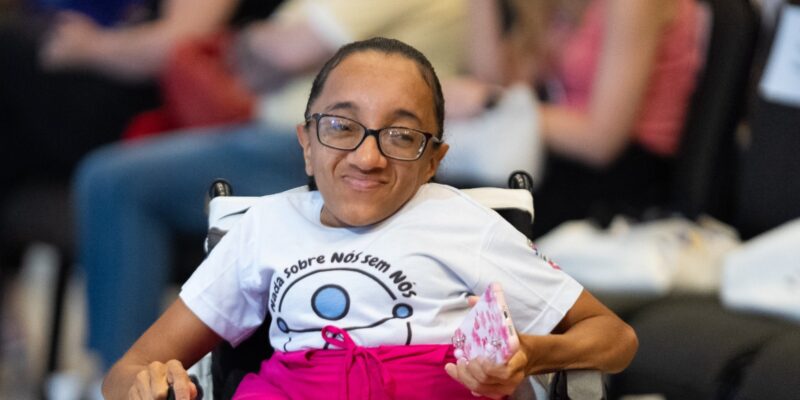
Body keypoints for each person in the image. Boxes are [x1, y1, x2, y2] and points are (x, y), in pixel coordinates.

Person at [102, 37, 637, 400]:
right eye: (341, 127)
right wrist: (147, 384)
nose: (367, 157)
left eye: (401, 136)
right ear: (306, 144)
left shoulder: (463, 224)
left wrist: (532, 354)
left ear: (434, 161)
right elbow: (125, 371)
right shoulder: (264, 227)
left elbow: (614, 339)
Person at [74, 0, 467, 372]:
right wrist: (256, 48)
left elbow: (285, 51)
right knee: (112, 174)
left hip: (311, 147)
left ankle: (115, 371)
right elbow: (262, 61)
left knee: (114, 180)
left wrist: (247, 41)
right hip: (271, 130)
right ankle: (125, 371)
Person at [442, 0, 704, 236]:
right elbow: (497, 82)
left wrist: (497, 104)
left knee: (458, 213)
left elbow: (602, 143)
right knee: (441, 194)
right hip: (569, 158)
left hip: (628, 176)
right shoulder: (564, 7)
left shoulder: (635, 5)